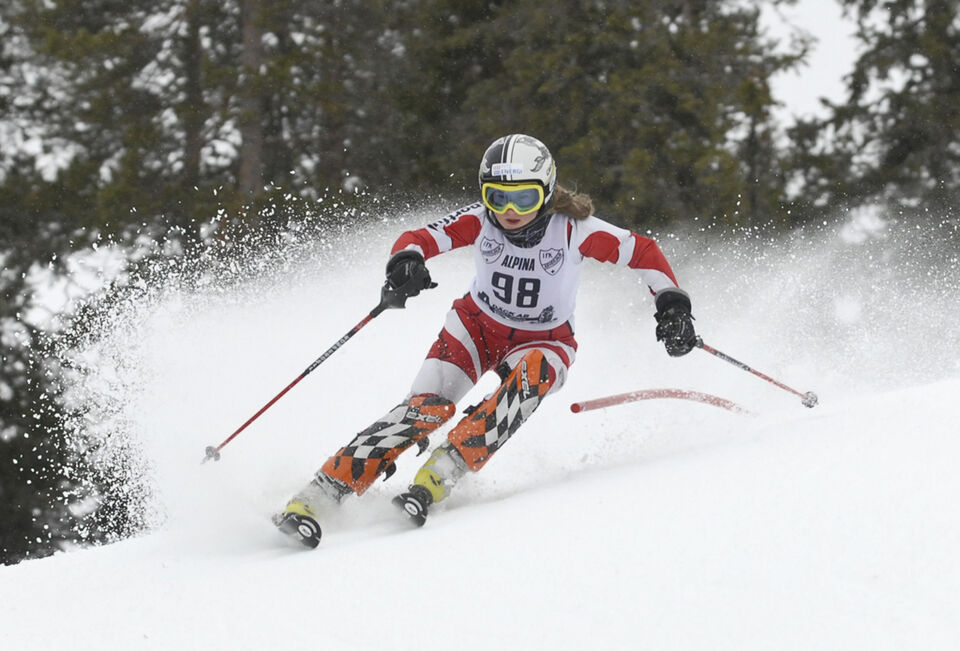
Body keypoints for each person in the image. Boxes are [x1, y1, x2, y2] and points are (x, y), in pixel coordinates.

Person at [275, 134, 697, 548]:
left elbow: (643, 252)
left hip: (545, 339)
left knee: (532, 377)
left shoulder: (575, 230)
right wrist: (406, 262)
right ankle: (320, 493)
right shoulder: (480, 220)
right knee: (425, 409)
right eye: (497, 197)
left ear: (547, 192)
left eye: (525, 199)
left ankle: (443, 470)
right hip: (475, 327)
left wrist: (672, 305)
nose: (510, 212)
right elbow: (418, 238)